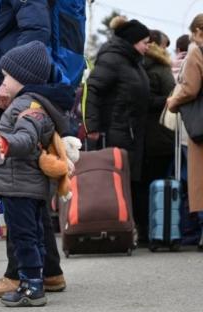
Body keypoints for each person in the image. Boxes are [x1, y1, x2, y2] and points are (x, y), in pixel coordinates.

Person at [0, 0, 85, 298]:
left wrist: (11, 86)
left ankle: (19, 274)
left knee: (17, 187)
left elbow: (36, 32)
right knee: (27, 186)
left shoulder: (18, 88)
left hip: (15, 90)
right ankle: (48, 271)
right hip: (7, 88)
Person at [0, 40, 69, 307]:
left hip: (20, 184)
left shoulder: (28, 107)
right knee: (32, 235)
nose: (2, 82)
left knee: (24, 237)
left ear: (20, 78)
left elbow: (26, 137)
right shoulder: (28, 103)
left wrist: (7, 144)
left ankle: (31, 286)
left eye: (6, 77)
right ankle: (33, 280)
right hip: (24, 183)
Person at [84, 16, 150, 234]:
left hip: (131, 131)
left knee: (130, 181)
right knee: (117, 180)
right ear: (133, 41)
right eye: (145, 41)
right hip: (116, 131)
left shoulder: (134, 62)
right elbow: (93, 89)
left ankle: (127, 227)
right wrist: (92, 126)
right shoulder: (113, 59)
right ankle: (113, 226)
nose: (148, 46)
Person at [167, 13, 203, 251]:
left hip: (200, 126)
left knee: (200, 179)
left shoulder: (196, 52)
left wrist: (173, 101)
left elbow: (190, 87)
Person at [139, 29, 175, 241]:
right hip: (159, 135)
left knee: (146, 183)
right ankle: (158, 230)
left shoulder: (140, 66)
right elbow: (155, 99)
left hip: (147, 136)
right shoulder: (158, 68)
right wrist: (171, 100)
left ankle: (150, 229)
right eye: (163, 45)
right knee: (157, 182)